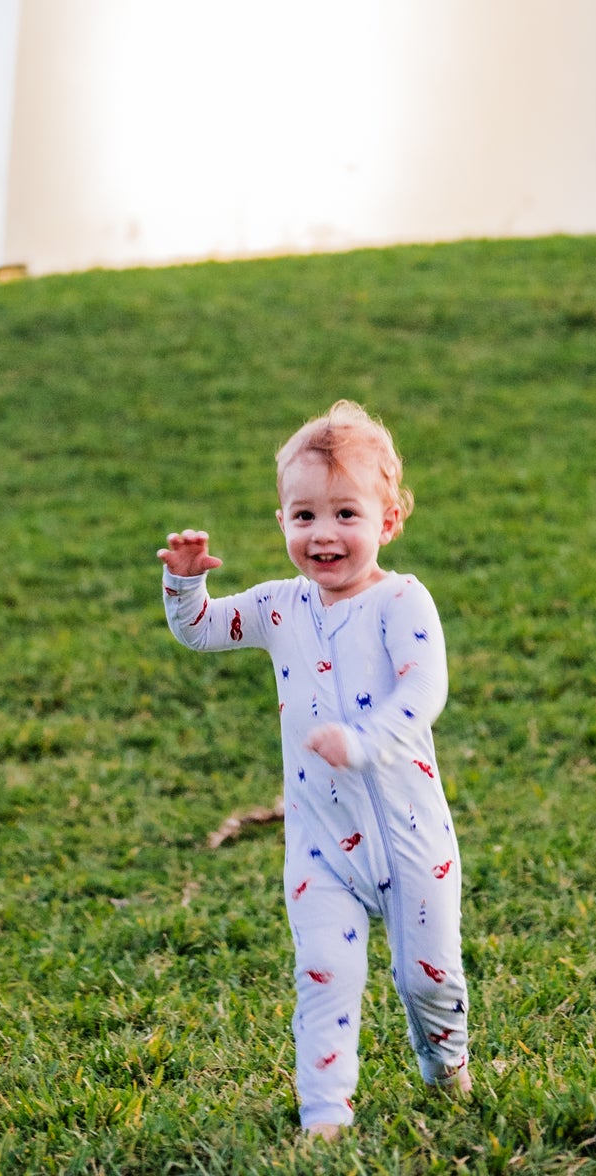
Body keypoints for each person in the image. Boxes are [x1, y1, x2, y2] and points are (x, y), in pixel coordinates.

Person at [158, 400, 471, 1139]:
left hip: (412, 840)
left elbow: (425, 691)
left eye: (345, 514)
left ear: (388, 521)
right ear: (282, 523)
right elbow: (202, 631)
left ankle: (447, 1067)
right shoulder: (278, 606)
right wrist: (185, 584)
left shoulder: (402, 600)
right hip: (320, 846)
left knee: (427, 982)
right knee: (325, 976)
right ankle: (324, 1117)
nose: (323, 534)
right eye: (304, 516)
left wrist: (364, 741)